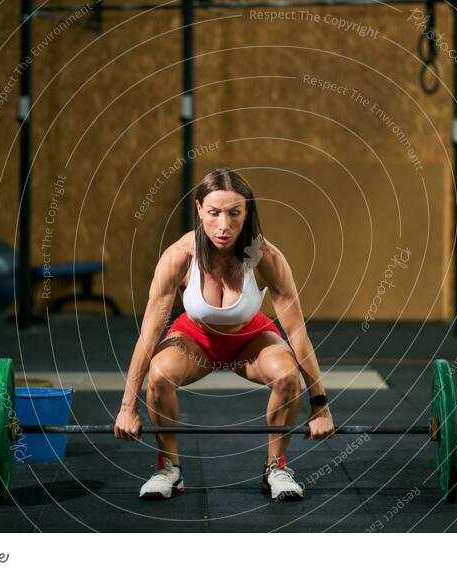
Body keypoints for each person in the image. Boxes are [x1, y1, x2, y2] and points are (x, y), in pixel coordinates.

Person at [113, 168, 334, 501]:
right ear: (199, 209)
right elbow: (149, 333)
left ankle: (276, 467)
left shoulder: (266, 258)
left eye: (234, 213)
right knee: (158, 376)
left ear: (247, 213)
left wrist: (320, 405)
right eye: (214, 213)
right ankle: (169, 468)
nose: (223, 225)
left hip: (250, 340)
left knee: (288, 376)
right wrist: (128, 406)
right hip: (195, 341)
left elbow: (297, 334)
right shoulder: (179, 257)